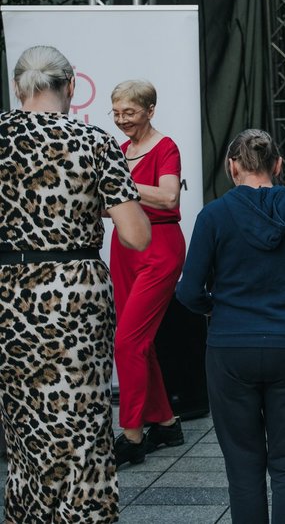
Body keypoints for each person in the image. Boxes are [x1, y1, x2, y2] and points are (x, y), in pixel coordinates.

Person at [0, 45, 151, 522]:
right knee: (82, 423)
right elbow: (135, 236)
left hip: (10, 292)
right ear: (69, 87)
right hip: (75, 293)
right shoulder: (95, 141)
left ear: (18, 88)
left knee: (23, 424)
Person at [176, 129, 285, 523]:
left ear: (232, 167)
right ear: (278, 165)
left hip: (230, 348)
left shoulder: (213, 215)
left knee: (243, 467)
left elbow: (187, 292)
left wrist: (220, 306)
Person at [109, 79, 187, 467]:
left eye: (130, 112)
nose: (122, 120)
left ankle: (132, 434)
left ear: (150, 110)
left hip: (159, 247)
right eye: (117, 113)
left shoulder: (165, 147)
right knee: (138, 341)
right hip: (124, 248)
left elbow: (169, 195)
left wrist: (120, 185)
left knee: (128, 342)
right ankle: (167, 423)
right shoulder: (121, 150)